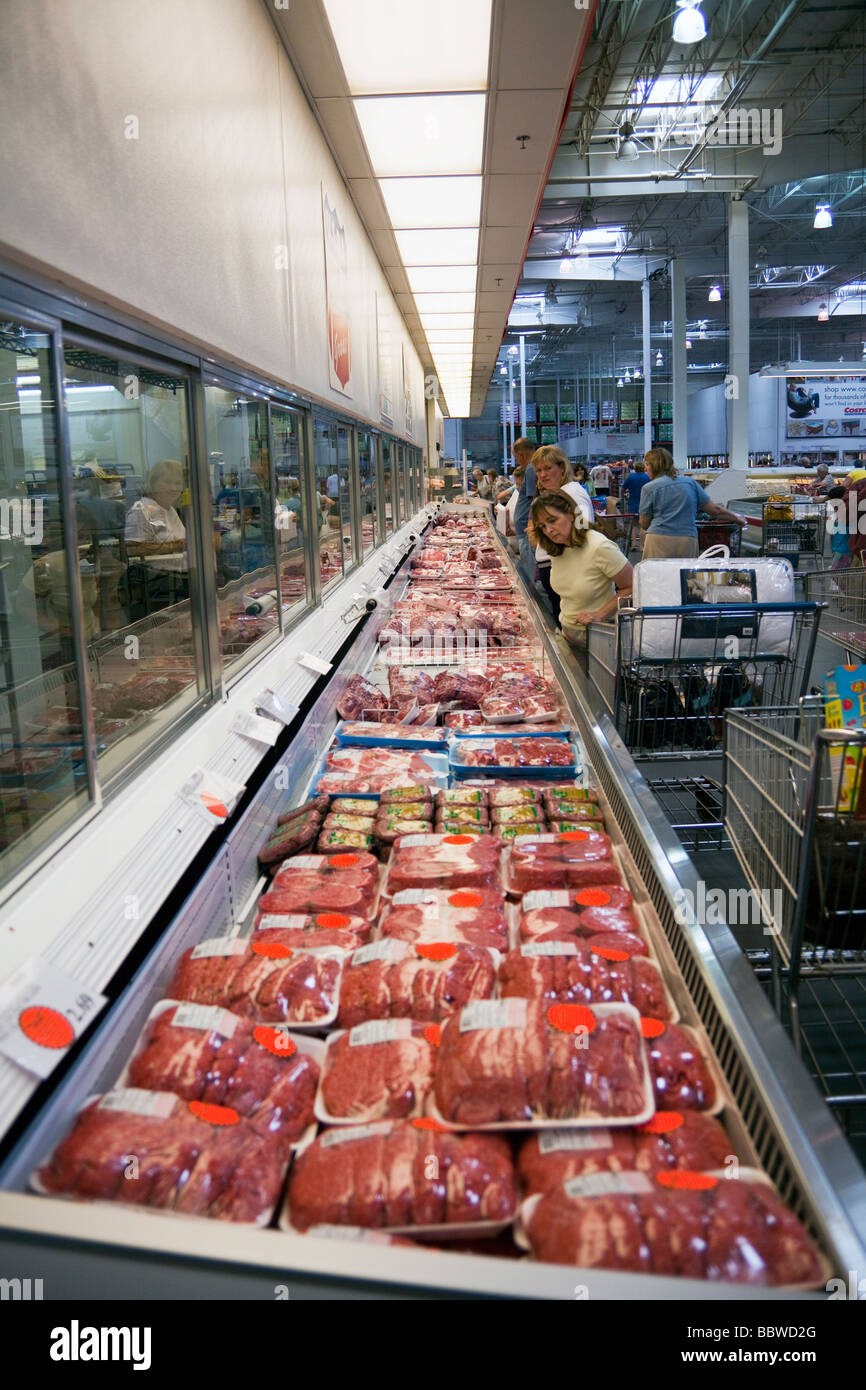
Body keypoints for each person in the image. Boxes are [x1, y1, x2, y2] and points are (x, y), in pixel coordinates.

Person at [530, 489, 633, 650]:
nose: (549, 530)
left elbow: (632, 586)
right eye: (543, 526)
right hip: (569, 634)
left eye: (553, 520)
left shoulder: (599, 546)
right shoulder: (558, 548)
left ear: (571, 514)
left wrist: (600, 614)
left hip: (600, 638)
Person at [524, 446, 593, 627]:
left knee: (567, 625)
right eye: (539, 470)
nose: (543, 475)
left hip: (568, 568)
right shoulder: (555, 493)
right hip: (554, 567)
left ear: (562, 468)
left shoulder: (574, 493)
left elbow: (583, 532)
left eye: (548, 468)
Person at [638, 447, 746, 560]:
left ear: (655, 466)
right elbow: (715, 511)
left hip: (658, 540)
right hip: (687, 540)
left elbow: (644, 523)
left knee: (657, 575)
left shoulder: (649, 488)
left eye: (647, 465)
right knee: (685, 576)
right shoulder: (690, 483)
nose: (645, 469)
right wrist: (737, 518)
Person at [123, 458, 189, 618]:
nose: (174, 488)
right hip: (159, 581)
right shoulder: (142, 509)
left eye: (177, 482)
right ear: (152, 483)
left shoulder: (170, 509)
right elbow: (131, 549)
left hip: (180, 577)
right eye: (167, 482)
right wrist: (176, 546)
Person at [511, 437, 539, 585]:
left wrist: (530, 526)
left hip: (527, 532)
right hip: (525, 530)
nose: (517, 461)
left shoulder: (530, 468)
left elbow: (533, 500)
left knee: (530, 576)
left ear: (521, 454)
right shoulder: (531, 468)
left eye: (516, 457)